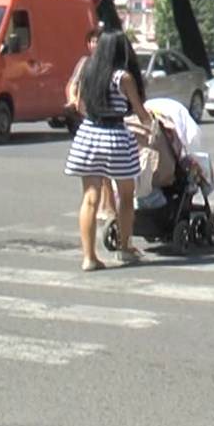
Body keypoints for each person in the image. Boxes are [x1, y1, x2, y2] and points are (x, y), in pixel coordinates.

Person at [66, 30, 153, 271]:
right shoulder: (123, 77)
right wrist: (150, 125)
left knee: (90, 198)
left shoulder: (88, 70)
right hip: (115, 136)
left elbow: (81, 105)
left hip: (88, 134)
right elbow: (139, 110)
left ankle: (89, 257)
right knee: (126, 195)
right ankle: (125, 249)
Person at [66, 28, 117, 227]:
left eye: (98, 41)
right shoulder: (85, 63)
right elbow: (74, 84)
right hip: (89, 120)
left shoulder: (111, 67)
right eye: (92, 41)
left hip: (104, 120)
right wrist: (73, 99)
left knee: (105, 169)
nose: (94, 45)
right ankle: (107, 207)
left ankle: (109, 206)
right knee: (98, 170)